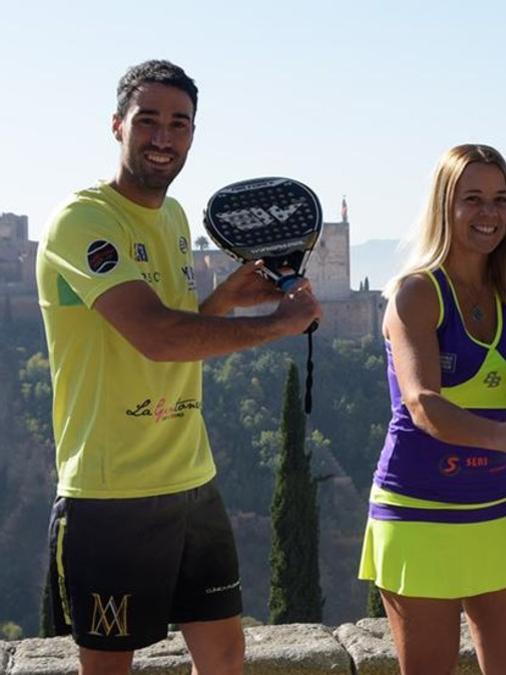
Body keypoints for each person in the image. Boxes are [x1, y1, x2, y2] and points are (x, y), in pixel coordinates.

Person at [37, 60, 323, 674]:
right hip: (112, 492)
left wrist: (223, 303)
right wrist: (276, 324)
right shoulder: (83, 220)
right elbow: (155, 337)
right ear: (117, 125)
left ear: (193, 134)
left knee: (224, 659)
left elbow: (177, 323)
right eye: (148, 121)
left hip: (192, 478)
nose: (163, 138)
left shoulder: (172, 217)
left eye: (179, 123)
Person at [357, 144, 506, 674]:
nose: (489, 213)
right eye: (472, 199)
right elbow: (423, 404)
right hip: (418, 517)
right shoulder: (416, 294)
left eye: (500, 199)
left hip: (499, 513)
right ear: (445, 206)